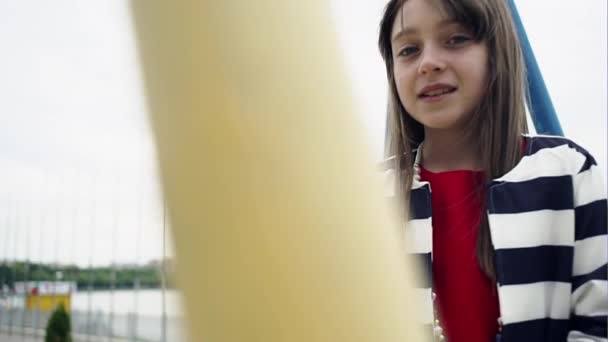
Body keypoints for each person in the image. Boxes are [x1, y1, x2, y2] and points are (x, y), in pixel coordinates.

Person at [377, 0, 607, 341]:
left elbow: (599, 325)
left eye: (455, 39)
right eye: (409, 49)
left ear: (496, 52)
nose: (429, 63)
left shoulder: (568, 172)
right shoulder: (368, 196)